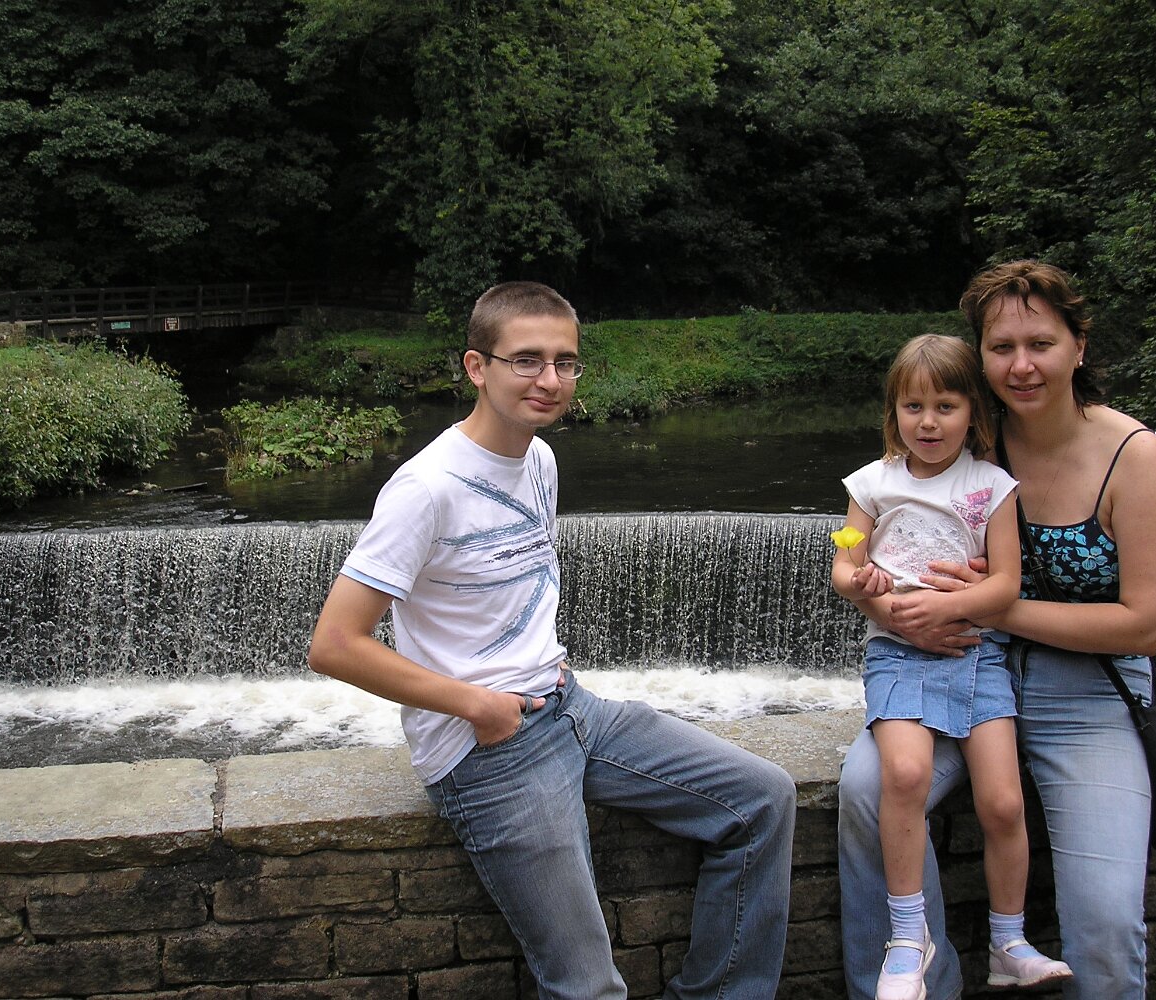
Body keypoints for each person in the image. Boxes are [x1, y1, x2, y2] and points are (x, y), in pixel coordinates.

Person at [308, 280, 797, 1000]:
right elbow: (335, 643)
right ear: (477, 368)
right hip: (488, 750)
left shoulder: (538, 459)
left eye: (565, 362)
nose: (550, 379)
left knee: (763, 800)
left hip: (570, 707)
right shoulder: (427, 488)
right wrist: (477, 705)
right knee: (587, 987)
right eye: (527, 360)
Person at [836, 261, 1156, 1000]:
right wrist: (894, 614)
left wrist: (987, 608)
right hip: (959, 661)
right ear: (981, 361)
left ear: (1079, 346)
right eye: (1001, 348)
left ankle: (1026, 953)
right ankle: (915, 970)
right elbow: (887, 559)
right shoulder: (967, 444)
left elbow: (1148, 625)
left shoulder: (1134, 455)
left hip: (1084, 691)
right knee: (868, 790)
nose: (1021, 365)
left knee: (1105, 922)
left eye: (1041, 344)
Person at [832, 334, 1071, 1000]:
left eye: (946, 406)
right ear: (894, 412)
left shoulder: (991, 486)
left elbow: (1005, 586)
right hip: (898, 656)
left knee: (1003, 802)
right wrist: (865, 584)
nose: (929, 422)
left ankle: (1008, 944)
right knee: (904, 774)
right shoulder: (873, 483)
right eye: (914, 407)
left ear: (973, 413)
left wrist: (949, 606)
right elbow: (844, 566)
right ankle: (909, 940)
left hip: (977, 654)